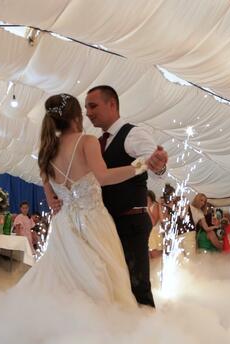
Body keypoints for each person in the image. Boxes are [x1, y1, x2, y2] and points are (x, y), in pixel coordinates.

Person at [17, 93, 150, 307]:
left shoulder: (46, 151)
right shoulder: (87, 141)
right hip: (94, 222)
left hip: (63, 226)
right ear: (76, 116)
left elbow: (50, 198)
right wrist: (141, 165)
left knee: (64, 281)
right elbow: (103, 177)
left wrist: (55, 201)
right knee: (100, 279)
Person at [59, 85, 167, 308]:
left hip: (130, 222)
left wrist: (158, 165)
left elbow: (153, 165)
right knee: (113, 287)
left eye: (93, 106)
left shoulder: (134, 134)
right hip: (104, 225)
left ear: (112, 104)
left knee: (137, 286)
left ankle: (147, 326)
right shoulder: (96, 142)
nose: (88, 112)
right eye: (86, 108)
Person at [147, 191, 163, 258]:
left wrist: (148, 209)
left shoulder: (155, 205)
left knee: (156, 257)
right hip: (147, 234)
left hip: (155, 233)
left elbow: (153, 223)